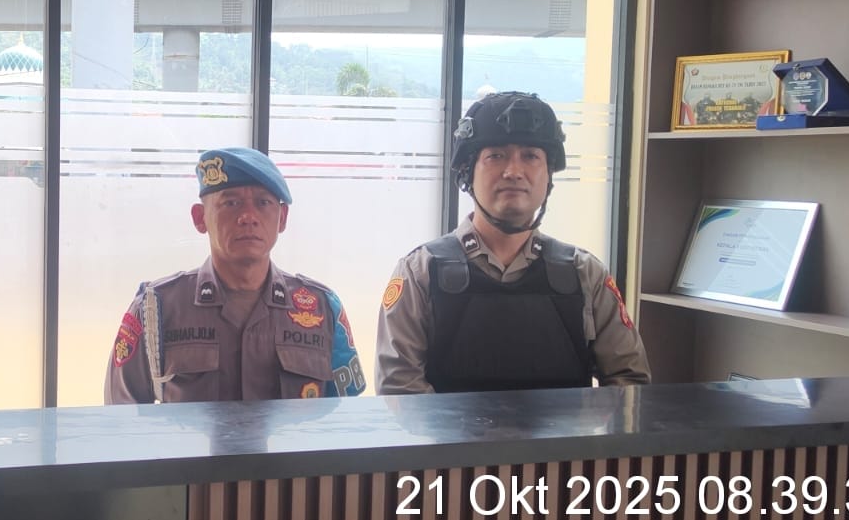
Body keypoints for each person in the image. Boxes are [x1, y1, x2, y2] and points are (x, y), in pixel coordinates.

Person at [375, 91, 650, 395]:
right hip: (444, 430)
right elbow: (400, 390)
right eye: (496, 156)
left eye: (530, 156)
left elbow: (629, 384)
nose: (514, 172)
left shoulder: (585, 274)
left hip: (564, 430)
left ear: (549, 176)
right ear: (467, 172)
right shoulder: (420, 273)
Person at [105, 147, 366, 403]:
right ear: (200, 218)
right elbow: (122, 420)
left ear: (282, 218)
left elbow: (345, 418)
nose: (248, 217)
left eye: (263, 203)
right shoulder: (155, 310)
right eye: (231, 203)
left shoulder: (323, 308)